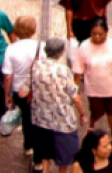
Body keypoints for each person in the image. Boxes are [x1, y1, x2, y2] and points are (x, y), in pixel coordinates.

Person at [31, 37, 85, 173]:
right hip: (63, 121)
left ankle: (45, 171)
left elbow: (25, 90)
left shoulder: (36, 66)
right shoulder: (63, 70)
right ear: (61, 52)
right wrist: (82, 114)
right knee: (66, 155)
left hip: (41, 118)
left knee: (45, 151)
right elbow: (75, 97)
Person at [73, 16, 112, 141]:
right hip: (93, 88)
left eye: (100, 34)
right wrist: (75, 89)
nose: (97, 37)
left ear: (106, 32)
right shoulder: (84, 47)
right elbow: (78, 70)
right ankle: (91, 127)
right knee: (96, 112)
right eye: (94, 34)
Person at [2, 15, 42, 163]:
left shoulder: (11, 49)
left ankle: (28, 146)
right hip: (37, 90)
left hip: (19, 91)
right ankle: (38, 154)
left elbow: (7, 76)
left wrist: (7, 94)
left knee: (26, 119)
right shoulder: (41, 47)